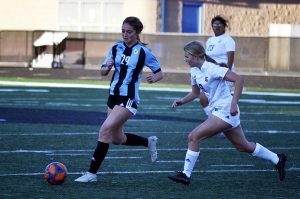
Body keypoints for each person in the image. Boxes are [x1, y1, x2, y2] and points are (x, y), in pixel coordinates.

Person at [167, 40, 287, 185]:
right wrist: (182, 100)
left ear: (197, 56)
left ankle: (186, 174)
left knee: (193, 136)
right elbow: (194, 93)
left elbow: (239, 79)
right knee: (243, 146)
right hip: (219, 111)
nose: (185, 59)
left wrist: (234, 103)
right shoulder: (194, 71)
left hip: (226, 110)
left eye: (187, 56)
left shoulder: (212, 69)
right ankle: (277, 158)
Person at [75, 16, 163, 182]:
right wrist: (107, 66)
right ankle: (148, 142)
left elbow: (159, 72)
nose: (125, 34)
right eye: (123, 31)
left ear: (137, 33)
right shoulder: (115, 48)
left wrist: (154, 77)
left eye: (129, 32)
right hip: (113, 96)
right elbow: (102, 72)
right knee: (117, 139)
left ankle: (91, 174)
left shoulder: (144, 52)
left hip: (128, 98)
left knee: (104, 130)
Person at [201, 15, 236, 139]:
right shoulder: (210, 40)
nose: (217, 26)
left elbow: (230, 59)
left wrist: (226, 71)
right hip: (211, 74)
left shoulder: (228, 40)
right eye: (214, 24)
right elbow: (207, 57)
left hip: (223, 74)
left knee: (222, 101)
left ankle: (225, 126)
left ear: (224, 26)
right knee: (203, 99)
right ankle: (215, 124)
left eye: (219, 24)